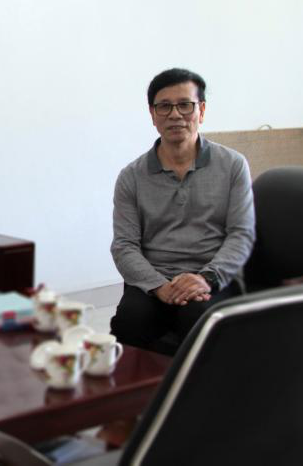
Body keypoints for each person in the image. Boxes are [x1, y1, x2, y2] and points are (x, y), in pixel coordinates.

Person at [110, 67, 256, 355]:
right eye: (164, 106)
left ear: (201, 111)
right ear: (152, 115)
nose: (175, 114)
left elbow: (241, 234)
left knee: (197, 319)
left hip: (211, 277)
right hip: (155, 281)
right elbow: (124, 246)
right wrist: (159, 286)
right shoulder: (131, 176)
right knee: (129, 321)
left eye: (185, 105)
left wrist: (206, 278)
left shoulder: (233, 165)